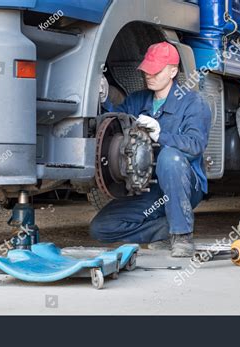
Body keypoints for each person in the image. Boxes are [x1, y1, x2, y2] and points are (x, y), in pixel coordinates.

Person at [90, 41, 211, 257]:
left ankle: (181, 236)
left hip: (184, 184)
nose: (149, 75)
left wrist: (159, 134)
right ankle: (163, 230)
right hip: (149, 189)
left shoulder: (193, 102)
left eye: (156, 71)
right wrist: (103, 98)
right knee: (101, 228)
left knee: (170, 158)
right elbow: (114, 123)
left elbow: (195, 146)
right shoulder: (138, 100)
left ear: (173, 71)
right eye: (147, 70)